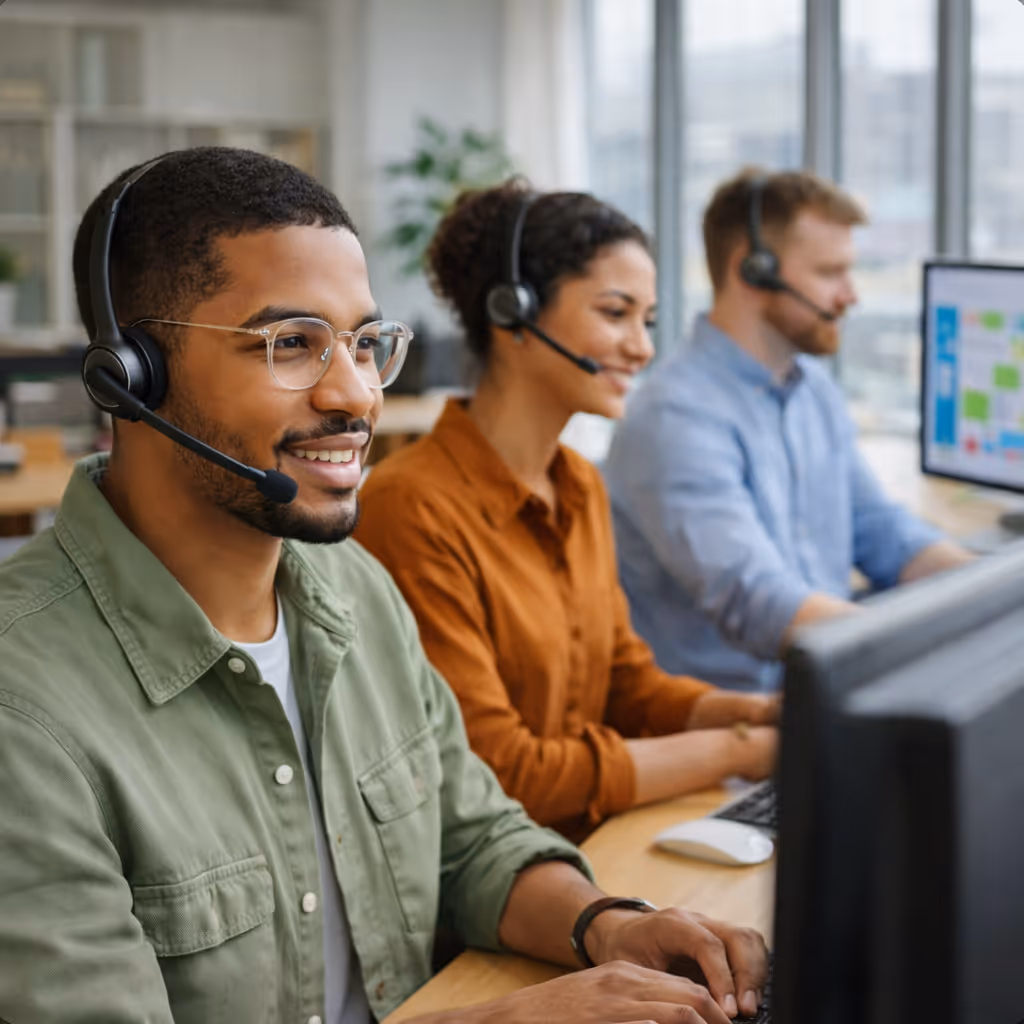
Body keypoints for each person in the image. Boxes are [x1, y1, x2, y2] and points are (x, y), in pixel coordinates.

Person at [0, 148, 769, 1024]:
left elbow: (473, 838)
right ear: (131, 376)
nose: (356, 394)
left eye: (366, 343)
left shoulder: (353, 590)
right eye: (292, 344)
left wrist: (608, 926)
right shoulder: (25, 712)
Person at [355, 180, 778, 844]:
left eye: (648, 320)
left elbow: (626, 685)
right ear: (513, 312)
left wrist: (752, 713)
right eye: (616, 314)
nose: (642, 348)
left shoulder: (578, 483)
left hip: (588, 844)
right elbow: (502, 772)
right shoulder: (411, 509)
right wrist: (741, 752)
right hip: (481, 895)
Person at [603, 168, 973, 692]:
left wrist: (991, 591)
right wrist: (909, 654)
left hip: (819, 694)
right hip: (730, 733)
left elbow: (883, 533)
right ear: (752, 272)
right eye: (830, 273)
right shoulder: (674, 417)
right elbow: (757, 602)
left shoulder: (811, 388)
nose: (851, 295)